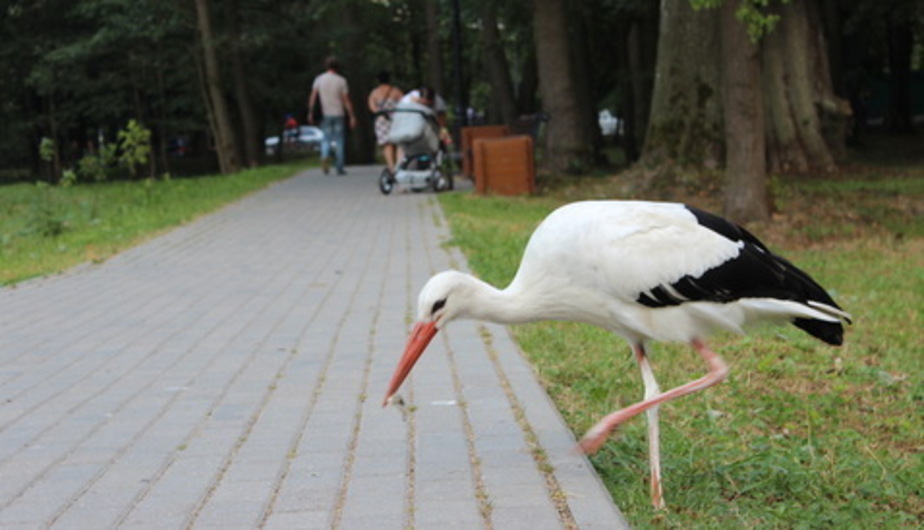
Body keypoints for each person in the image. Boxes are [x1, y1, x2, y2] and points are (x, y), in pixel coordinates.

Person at [308, 56, 356, 175]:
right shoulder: (341, 80)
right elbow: (345, 100)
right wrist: (351, 115)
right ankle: (339, 167)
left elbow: (313, 96)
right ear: (337, 67)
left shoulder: (319, 79)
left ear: (326, 66)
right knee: (339, 140)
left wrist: (310, 111)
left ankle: (325, 156)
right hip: (338, 113)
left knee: (326, 139)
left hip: (325, 113)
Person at [367, 71, 404, 174]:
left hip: (382, 120)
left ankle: (391, 167)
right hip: (396, 119)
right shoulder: (396, 91)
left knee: (387, 145)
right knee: (398, 144)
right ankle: (399, 166)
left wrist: (380, 111)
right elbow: (404, 103)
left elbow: (372, 107)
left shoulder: (375, 92)